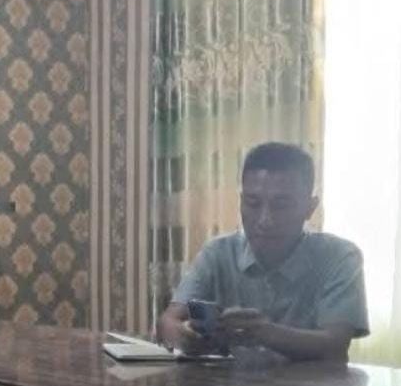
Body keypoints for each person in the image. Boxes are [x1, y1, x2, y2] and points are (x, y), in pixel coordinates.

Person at [157, 142, 369, 361]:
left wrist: (265, 333)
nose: (265, 220)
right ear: (241, 202)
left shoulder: (339, 256)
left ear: (310, 208)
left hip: (312, 384)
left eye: (281, 205)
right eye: (253, 203)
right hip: (228, 383)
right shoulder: (218, 253)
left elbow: (335, 344)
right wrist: (186, 337)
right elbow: (168, 322)